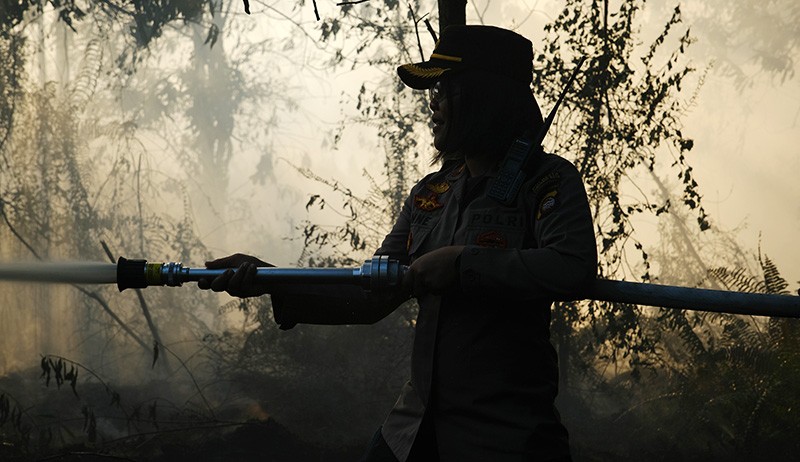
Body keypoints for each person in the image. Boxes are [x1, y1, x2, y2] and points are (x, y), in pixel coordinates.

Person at [199, 25, 597, 462]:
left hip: (506, 437)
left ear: (485, 98)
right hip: (412, 430)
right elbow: (372, 296)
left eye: (445, 91)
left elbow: (571, 266)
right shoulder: (431, 193)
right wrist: (271, 279)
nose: (433, 105)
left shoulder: (549, 180)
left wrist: (462, 263)